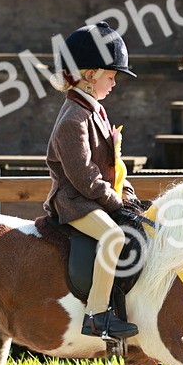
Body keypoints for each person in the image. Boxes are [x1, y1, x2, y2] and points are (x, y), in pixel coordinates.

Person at [44, 21, 142, 339]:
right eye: (111, 77)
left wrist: (130, 197)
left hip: (91, 197)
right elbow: (85, 177)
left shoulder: (94, 111)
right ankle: (97, 315)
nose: (114, 84)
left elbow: (112, 164)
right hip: (74, 202)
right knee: (113, 237)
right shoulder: (73, 119)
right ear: (90, 77)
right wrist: (117, 205)